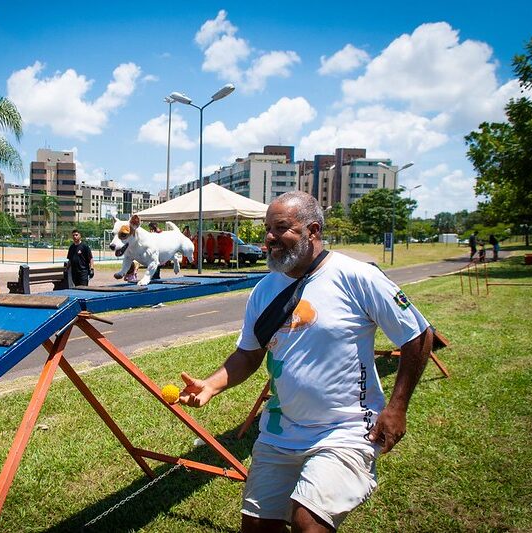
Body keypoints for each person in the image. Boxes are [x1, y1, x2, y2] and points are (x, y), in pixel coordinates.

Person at [179, 191, 432, 532]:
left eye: (280, 227)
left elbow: (417, 335)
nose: (269, 238)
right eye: (268, 229)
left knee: (307, 520)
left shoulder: (358, 277)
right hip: (279, 433)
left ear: (312, 230)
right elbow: (249, 353)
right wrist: (211, 384)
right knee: (256, 526)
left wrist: (398, 407)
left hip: (346, 429)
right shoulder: (264, 290)